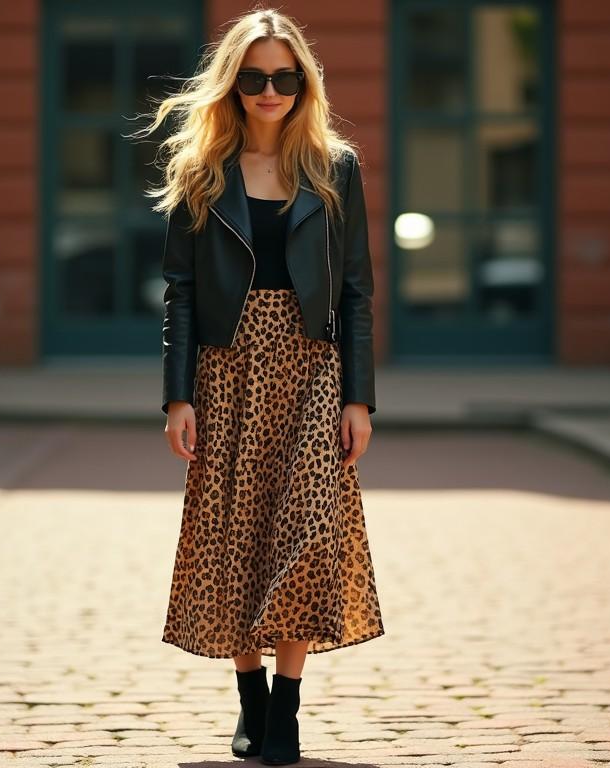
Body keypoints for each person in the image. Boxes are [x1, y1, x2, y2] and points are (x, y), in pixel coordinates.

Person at [130, 8, 385, 765]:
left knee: (307, 532)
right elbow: (179, 288)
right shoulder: (202, 170)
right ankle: (249, 695)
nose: (269, 90)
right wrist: (178, 394)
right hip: (227, 369)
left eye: (284, 76)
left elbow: (358, 292)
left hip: (311, 366)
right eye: (253, 78)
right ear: (233, 84)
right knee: (235, 539)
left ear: (302, 81)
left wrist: (358, 398)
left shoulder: (335, 167)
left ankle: (288, 707)